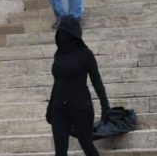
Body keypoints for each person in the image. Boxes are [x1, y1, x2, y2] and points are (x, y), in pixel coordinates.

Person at [46, 17, 110, 156]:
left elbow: (96, 81)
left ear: (72, 34)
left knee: (86, 145)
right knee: (60, 152)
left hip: (81, 108)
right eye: (59, 33)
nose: (61, 36)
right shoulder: (58, 54)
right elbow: (57, 82)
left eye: (64, 33)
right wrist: (50, 107)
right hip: (59, 109)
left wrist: (105, 106)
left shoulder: (86, 54)